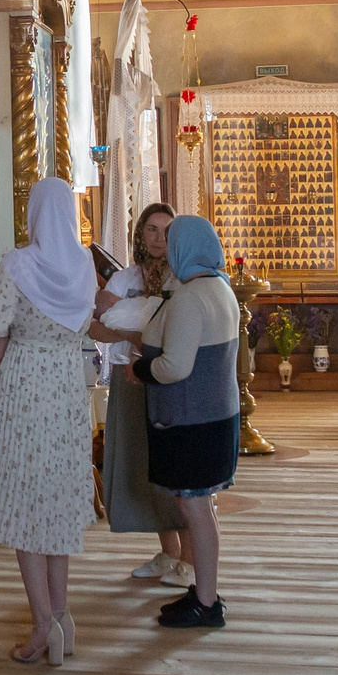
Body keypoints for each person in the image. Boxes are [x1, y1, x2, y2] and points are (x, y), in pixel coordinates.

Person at [0, 177, 98, 666]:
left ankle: (42, 625)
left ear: (36, 214)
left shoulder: (19, 266)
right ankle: (62, 617)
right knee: (56, 506)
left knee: (24, 506)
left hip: (24, 391)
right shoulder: (84, 267)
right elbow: (85, 324)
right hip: (65, 389)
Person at [137, 215, 242, 629]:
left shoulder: (189, 298)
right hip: (217, 417)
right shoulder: (221, 288)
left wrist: (140, 370)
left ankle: (206, 601)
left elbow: (175, 366)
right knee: (202, 508)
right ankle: (204, 594)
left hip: (191, 421)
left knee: (195, 509)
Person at [89, 202, 191, 588]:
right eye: (151, 229)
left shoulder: (183, 278)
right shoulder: (123, 279)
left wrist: (133, 326)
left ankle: (190, 560)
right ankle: (169, 552)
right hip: (127, 378)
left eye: (166, 230)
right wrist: (138, 332)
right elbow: (95, 328)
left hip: (169, 379)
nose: (158, 237)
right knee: (142, 467)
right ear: (140, 235)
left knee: (175, 468)